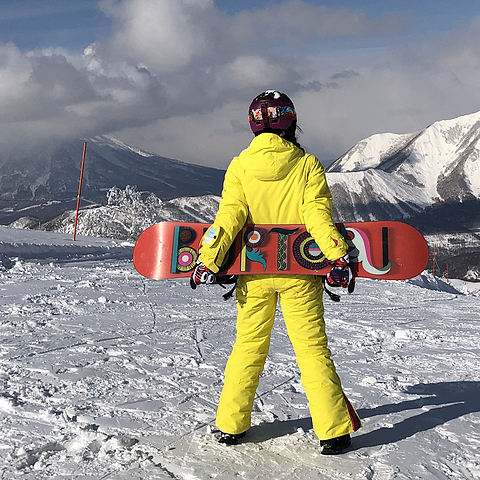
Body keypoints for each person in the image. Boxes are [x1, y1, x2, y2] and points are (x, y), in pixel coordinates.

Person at [191, 90, 361, 455]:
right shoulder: (306, 165)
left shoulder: (239, 166)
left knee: (248, 347)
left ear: (253, 125)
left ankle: (230, 426)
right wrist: (338, 257)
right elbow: (317, 214)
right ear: (291, 122)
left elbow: (230, 217)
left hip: (253, 275)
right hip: (300, 274)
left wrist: (208, 259)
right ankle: (332, 432)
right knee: (313, 350)